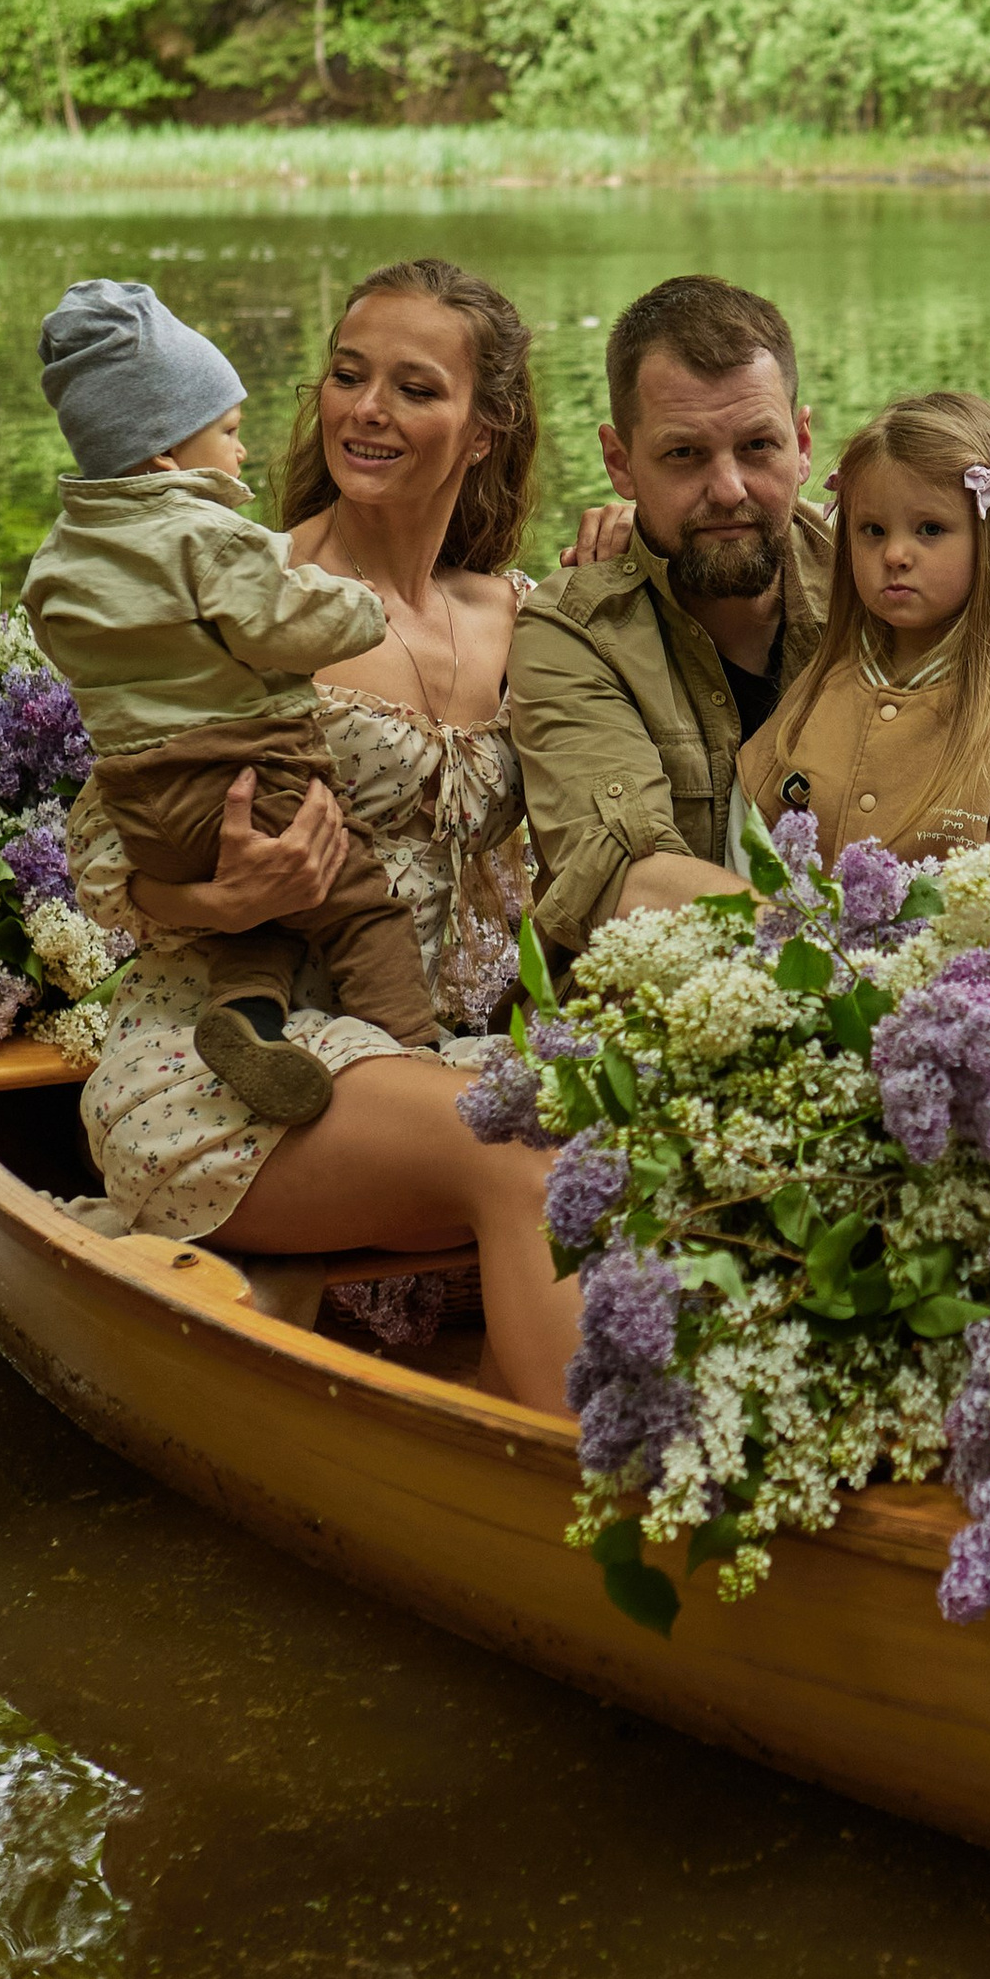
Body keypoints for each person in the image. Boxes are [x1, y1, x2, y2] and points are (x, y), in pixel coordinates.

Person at [66, 258, 580, 1410]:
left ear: (487, 427)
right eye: (349, 376)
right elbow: (105, 864)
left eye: (415, 388)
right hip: (238, 1060)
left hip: (429, 1044)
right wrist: (220, 900)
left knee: (633, 1122)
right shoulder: (236, 590)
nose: (368, 410)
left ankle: (498, 1437)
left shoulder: (526, 616)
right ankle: (570, 1495)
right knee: (524, 1146)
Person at [24, 277, 437, 1128]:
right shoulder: (209, 536)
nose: (244, 453)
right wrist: (361, 608)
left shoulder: (60, 557)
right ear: (164, 455)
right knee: (359, 906)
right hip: (243, 776)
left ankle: (246, 1014)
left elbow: (64, 645)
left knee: (268, 917)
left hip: (146, 804)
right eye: (229, 431)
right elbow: (278, 620)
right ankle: (419, 1055)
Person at [509, 273, 832, 961]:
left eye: (759, 446)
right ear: (620, 462)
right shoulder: (574, 631)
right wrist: (839, 961)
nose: (729, 489)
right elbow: (625, 881)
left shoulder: (882, 580)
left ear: (803, 444)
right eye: (684, 453)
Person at [735, 391, 990, 865]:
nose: (894, 555)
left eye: (930, 529)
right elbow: (750, 832)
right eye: (873, 530)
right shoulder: (823, 687)